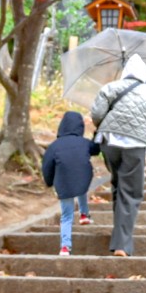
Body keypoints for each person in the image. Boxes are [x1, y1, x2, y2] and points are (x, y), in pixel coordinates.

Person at [90, 53, 146, 257]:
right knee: (131, 191)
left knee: (119, 184)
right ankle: (122, 244)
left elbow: (96, 115)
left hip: (109, 142)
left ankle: (119, 231)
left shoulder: (110, 88)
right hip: (135, 145)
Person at [41, 110, 100, 256]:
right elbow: (96, 150)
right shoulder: (84, 143)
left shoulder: (54, 146)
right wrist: (97, 135)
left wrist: (49, 182)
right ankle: (84, 215)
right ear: (80, 127)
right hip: (83, 178)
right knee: (81, 188)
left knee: (66, 216)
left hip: (63, 183)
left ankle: (65, 247)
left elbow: (47, 166)